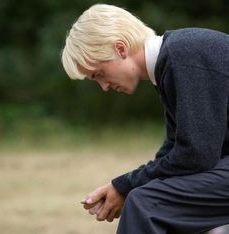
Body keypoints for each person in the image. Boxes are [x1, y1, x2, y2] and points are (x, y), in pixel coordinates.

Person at [61, 4, 229, 234]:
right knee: (151, 197)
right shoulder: (170, 63)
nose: (103, 86)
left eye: (99, 74)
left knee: (146, 204)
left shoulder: (183, 55)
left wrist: (126, 185)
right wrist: (124, 186)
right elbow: (175, 150)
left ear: (120, 48)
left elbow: (196, 155)